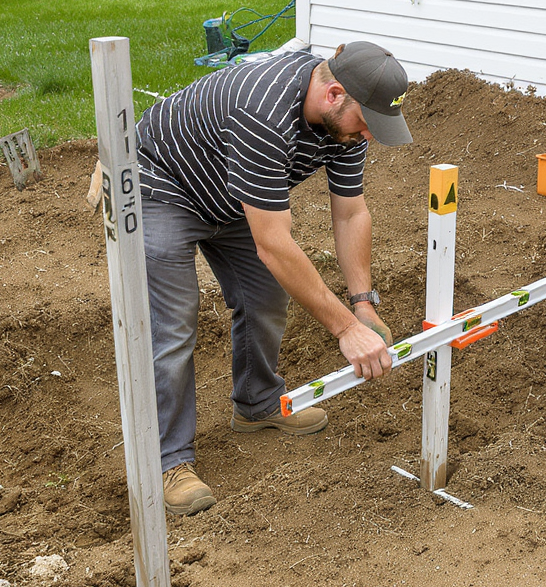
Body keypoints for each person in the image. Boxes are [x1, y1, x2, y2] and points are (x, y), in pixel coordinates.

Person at [135, 41, 414, 516]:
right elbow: (272, 244)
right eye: (366, 124)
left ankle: (257, 403)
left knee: (265, 298)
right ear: (334, 95)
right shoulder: (264, 111)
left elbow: (350, 214)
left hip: (232, 195)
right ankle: (166, 461)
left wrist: (363, 304)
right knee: (175, 324)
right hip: (162, 185)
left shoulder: (342, 126)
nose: (368, 136)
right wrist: (346, 329)